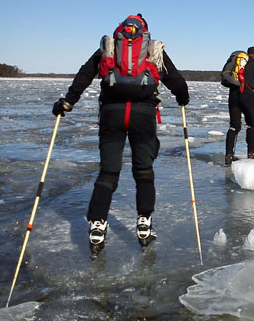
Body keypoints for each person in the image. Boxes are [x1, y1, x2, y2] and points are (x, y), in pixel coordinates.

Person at [52, 14, 190, 255]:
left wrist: (68, 101)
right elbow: (175, 79)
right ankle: (144, 222)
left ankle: (97, 224)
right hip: (143, 115)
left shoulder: (109, 47)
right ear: (144, 29)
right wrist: (182, 96)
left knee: (108, 171)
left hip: (112, 114)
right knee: (144, 170)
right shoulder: (151, 48)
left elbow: (85, 75)